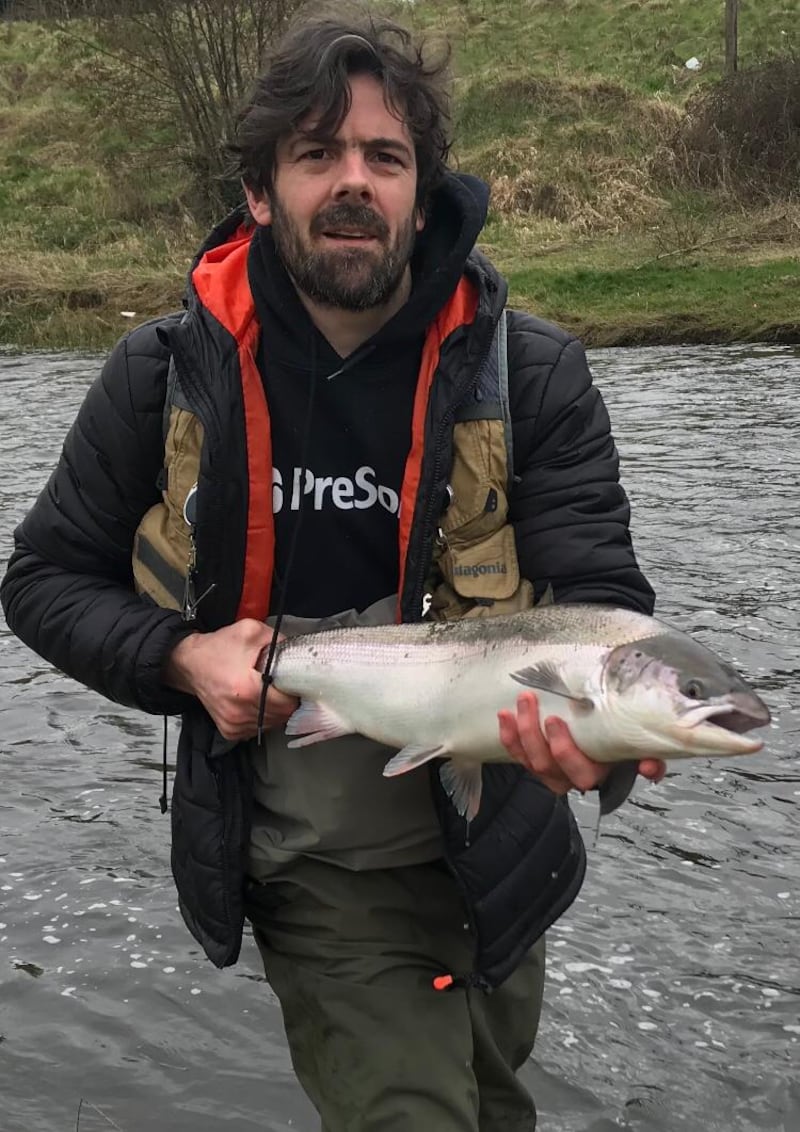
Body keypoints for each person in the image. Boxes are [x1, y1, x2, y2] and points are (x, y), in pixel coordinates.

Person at [1, 9, 665, 1130]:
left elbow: (607, 606)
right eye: (316, 154)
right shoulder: (159, 373)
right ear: (260, 189)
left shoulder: (534, 372)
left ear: (422, 186)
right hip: (314, 865)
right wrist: (176, 655)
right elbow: (42, 579)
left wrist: (595, 751)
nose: (351, 182)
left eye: (383, 157)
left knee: (497, 1112)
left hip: (499, 849)